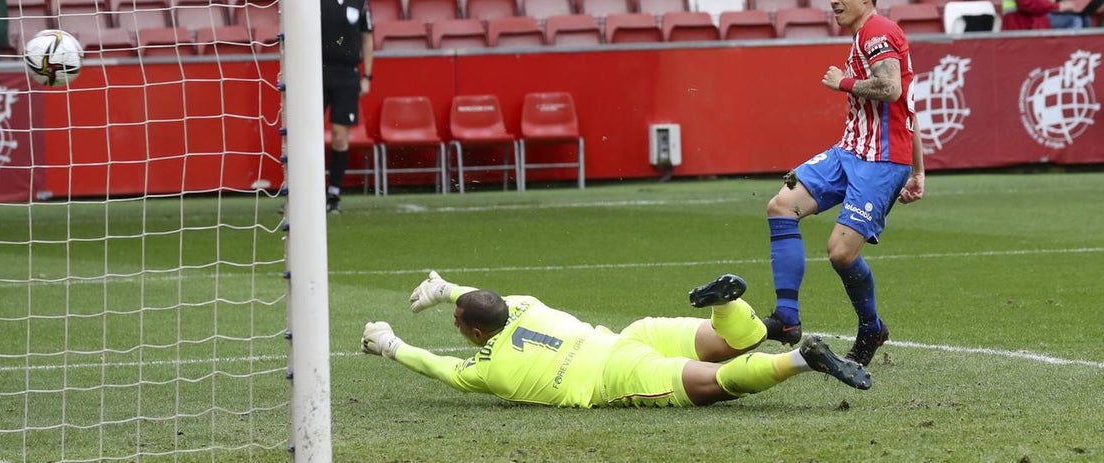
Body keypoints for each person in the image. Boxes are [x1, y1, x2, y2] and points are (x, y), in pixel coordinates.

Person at [360, 270, 872, 408]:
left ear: (473, 333)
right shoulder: (526, 305)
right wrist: (446, 288)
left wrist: (387, 342)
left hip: (616, 375)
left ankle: (803, 360)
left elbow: (436, 366)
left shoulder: (486, 371)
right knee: (736, 340)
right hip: (627, 337)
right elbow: (486, 297)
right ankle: (726, 303)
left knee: (716, 383)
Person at [761, 0, 924, 367]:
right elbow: (911, 110)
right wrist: (920, 171)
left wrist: (843, 83)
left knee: (840, 254)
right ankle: (786, 318)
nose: (833, 0)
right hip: (849, 151)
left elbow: (891, 90)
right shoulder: (861, 38)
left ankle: (871, 327)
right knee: (781, 206)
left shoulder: (879, 32)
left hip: (881, 162)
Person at [320, 0, 373, 213]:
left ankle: (334, 195)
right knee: (305, 137)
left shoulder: (359, 1)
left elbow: (367, 38)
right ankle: (304, 194)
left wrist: (367, 75)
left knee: (340, 138)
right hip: (316, 74)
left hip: (346, 75)